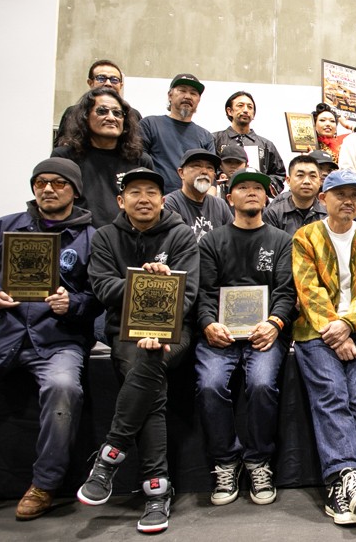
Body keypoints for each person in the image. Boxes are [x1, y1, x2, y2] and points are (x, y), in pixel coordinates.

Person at [78, 167, 200, 534]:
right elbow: (103, 288)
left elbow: (188, 293)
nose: (143, 199)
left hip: (174, 331)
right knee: (148, 376)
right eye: (135, 192)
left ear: (163, 200)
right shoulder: (105, 237)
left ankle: (110, 455)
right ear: (121, 200)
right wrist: (145, 282)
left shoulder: (181, 235)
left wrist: (160, 321)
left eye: (151, 192)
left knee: (149, 360)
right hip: (125, 333)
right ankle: (156, 490)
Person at [0, 158, 100, 519]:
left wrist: (73, 303)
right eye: (41, 182)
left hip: (58, 340)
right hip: (2, 334)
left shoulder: (92, 238)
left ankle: (44, 484)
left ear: (74, 190)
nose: (48, 189)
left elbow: (100, 296)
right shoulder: (2, 229)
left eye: (58, 183)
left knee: (63, 389)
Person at [194, 168, 296, 506]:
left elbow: (286, 291)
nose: (252, 192)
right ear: (229, 198)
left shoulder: (281, 240)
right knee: (209, 385)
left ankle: (258, 460)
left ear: (266, 197)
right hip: (219, 335)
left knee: (262, 384)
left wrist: (275, 323)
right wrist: (208, 324)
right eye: (244, 188)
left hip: (265, 333)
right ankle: (225, 460)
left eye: (258, 188)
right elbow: (204, 292)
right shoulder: (212, 241)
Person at [291, 169, 356, 525]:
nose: (349, 201)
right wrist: (337, 330)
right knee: (332, 393)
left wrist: (348, 326)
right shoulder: (305, 236)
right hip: (317, 330)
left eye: (355, 196)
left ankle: (339, 486)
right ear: (323, 199)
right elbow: (308, 290)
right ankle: (350, 476)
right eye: (340, 194)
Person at [52, 87, 153, 227]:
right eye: (102, 111)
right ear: (85, 116)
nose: (111, 118)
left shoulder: (140, 160)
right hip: (79, 234)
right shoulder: (64, 158)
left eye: (117, 113)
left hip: (127, 235)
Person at [139, 74, 215, 194]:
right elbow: (138, 163)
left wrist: (208, 201)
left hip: (193, 200)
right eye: (182, 90)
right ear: (170, 95)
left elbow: (211, 177)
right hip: (157, 198)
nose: (187, 96)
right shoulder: (150, 124)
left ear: (198, 100)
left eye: (193, 93)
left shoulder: (206, 136)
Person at [212, 91, 286, 195]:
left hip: (256, 200)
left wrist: (262, 185)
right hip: (222, 199)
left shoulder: (266, 145)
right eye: (240, 106)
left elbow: (279, 175)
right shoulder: (214, 139)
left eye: (250, 107)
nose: (246, 110)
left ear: (254, 114)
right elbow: (206, 168)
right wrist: (220, 176)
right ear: (229, 111)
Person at [54, 60, 140, 147]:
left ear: (121, 85)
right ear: (90, 83)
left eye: (114, 80)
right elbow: (61, 144)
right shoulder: (73, 112)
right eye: (101, 78)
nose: (108, 83)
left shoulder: (132, 114)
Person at [164, 149, 234, 241]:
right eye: (197, 166)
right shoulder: (169, 204)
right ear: (181, 173)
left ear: (214, 176)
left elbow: (233, 240)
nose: (204, 171)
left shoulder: (220, 205)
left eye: (209, 167)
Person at [264, 154, 327, 235]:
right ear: (288, 180)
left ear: (319, 181)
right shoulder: (273, 214)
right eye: (300, 175)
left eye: (312, 176)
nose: (307, 181)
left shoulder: (328, 214)